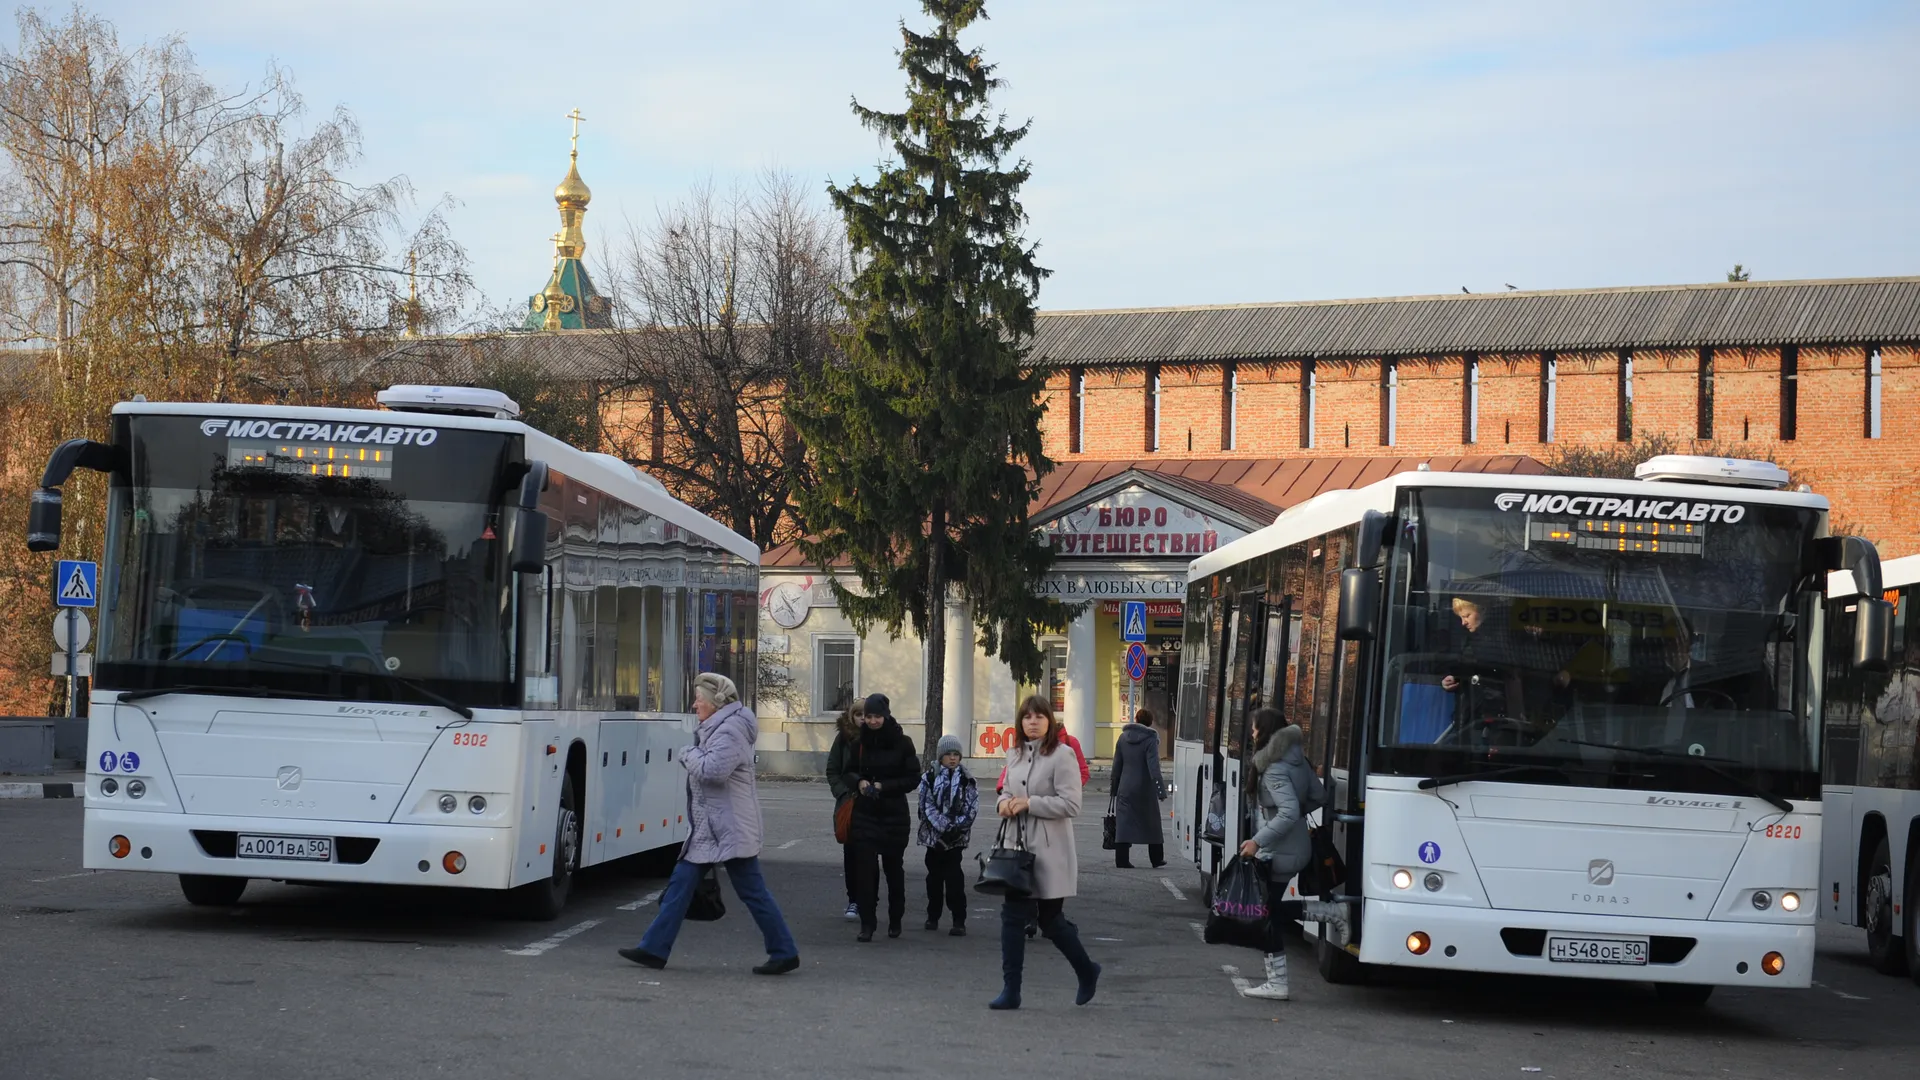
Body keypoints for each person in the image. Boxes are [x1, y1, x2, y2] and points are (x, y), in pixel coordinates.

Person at [618, 673, 799, 975]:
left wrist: (687, 753)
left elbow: (714, 771)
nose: (694, 704)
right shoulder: (719, 727)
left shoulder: (729, 730)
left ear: (715, 703)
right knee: (679, 886)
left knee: (753, 892)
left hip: (730, 829)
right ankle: (653, 948)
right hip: (710, 829)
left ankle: (784, 951)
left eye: (699, 699)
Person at [989, 695, 1101, 1011]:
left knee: (1051, 922)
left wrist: (1030, 803)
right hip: (1016, 848)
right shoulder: (1014, 753)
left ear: (1049, 721)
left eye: (1039, 716)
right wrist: (1004, 803)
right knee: (1012, 917)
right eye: (1027, 717)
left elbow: (1071, 804)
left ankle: (1086, 970)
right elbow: (1006, 790)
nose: (1033, 722)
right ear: (1020, 722)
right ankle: (1011, 990)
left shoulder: (1063, 755)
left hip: (1050, 850)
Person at [1236, 707, 1349, 1000]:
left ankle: (1278, 982)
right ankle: (1331, 913)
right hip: (1296, 846)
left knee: (1264, 914)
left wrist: (1257, 842)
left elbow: (1286, 812)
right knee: (1268, 909)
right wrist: (1296, 819)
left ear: (1266, 731)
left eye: (1255, 727)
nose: (1252, 732)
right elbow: (1319, 797)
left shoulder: (1273, 768)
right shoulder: (1297, 760)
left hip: (1280, 850)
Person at [841, 692, 919, 942]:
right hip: (866, 814)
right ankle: (867, 923)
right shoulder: (859, 743)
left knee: (893, 869)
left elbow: (912, 778)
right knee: (865, 871)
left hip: (894, 814)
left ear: (886, 716)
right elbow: (848, 772)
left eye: (877, 716)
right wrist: (860, 782)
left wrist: (886, 786)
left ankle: (895, 919)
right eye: (868, 716)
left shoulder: (903, 742)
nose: (872, 721)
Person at [916, 733, 978, 935]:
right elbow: (926, 807)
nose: (952, 758)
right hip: (933, 840)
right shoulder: (929, 777)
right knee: (934, 879)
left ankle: (959, 919)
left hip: (955, 840)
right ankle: (933, 915)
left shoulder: (966, 780)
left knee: (954, 880)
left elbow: (970, 809)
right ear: (940, 756)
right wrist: (943, 828)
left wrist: (954, 830)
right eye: (948, 754)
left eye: (956, 754)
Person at [1110, 708, 1167, 868]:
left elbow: (1117, 764)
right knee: (1152, 823)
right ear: (1150, 722)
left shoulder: (1122, 738)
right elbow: (1153, 767)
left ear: (1135, 719)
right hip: (1144, 788)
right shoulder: (1150, 739)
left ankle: (1121, 859)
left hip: (1125, 786)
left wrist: (1114, 787)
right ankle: (1156, 858)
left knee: (1124, 824)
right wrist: (1160, 790)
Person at [824, 701, 865, 921]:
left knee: (869, 856)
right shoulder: (843, 739)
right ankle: (854, 900)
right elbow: (832, 770)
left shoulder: (879, 739)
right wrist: (843, 793)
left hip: (872, 804)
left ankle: (868, 901)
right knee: (851, 855)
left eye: (865, 714)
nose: (862, 718)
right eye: (857, 714)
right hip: (849, 805)